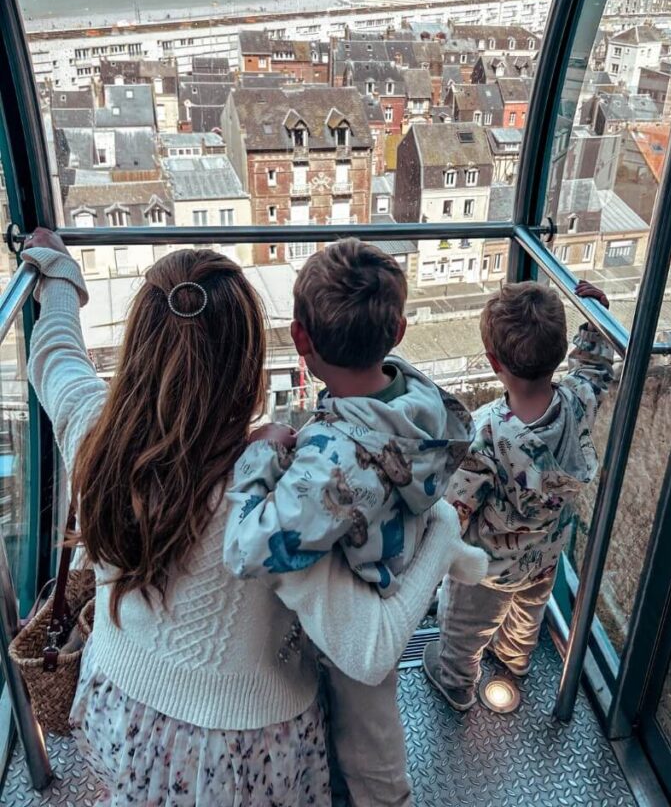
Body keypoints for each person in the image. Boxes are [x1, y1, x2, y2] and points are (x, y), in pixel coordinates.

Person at [23, 228, 485, 807]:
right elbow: (371, 649)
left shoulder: (94, 433)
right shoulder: (283, 504)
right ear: (250, 363)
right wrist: (443, 530)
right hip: (250, 745)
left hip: (126, 705)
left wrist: (59, 279)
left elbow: (55, 357)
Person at [224, 239, 482, 806]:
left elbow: (247, 549)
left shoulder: (332, 465)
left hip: (365, 601)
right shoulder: (419, 399)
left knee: (370, 750)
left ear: (300, 338)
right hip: (397, 547)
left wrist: (260, 455)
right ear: (398, 332)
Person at [423, 280, 614, 710]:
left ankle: (455, 680)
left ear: (494, 362)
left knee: (464, 627)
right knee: (527, 615)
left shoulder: (486, 432)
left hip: (487, 570)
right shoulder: (579, 401)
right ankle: (514, 659)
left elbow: (456, 511)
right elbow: (595, 368)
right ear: (560, 351)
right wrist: (597, 322)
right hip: (545, 556)